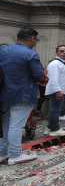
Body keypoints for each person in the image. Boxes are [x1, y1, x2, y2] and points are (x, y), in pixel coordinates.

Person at [0, 27, 47, 165]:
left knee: (6, 123)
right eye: (36, 39)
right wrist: (45, 78)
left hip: (4, 93)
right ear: (32, 38)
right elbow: (39, 76)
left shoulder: (3, 50)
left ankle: (3, 153)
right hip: (24, 94)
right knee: (16, 125)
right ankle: (15, 154)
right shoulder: (30, 54)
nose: (36, 42)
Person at [44, 45, 65, 136]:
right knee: (55, 110)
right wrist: (58, 91)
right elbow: (53, 79)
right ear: (57, 52)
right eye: (61, 51)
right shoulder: (55, 63)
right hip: (56, 91)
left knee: (55, 109)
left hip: (60, 90)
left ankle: (49, 127)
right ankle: (54, 129)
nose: (64, 53)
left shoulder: (62, 62)